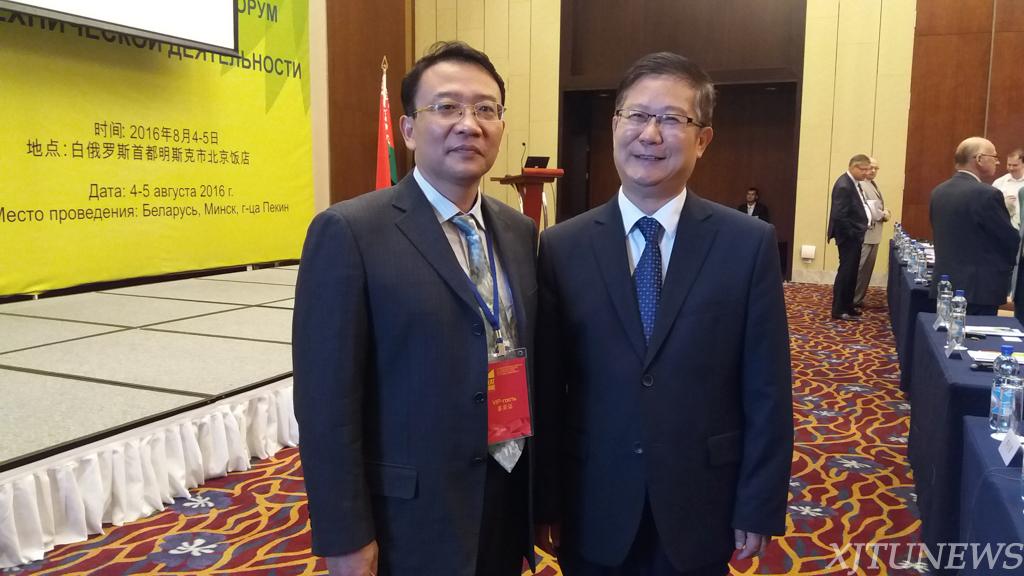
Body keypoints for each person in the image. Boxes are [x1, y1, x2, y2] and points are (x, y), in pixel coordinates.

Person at [534, 52, 793, 576]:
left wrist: (759, 502)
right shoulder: (563, 246)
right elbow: (548, 391)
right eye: (636, 115)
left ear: (702, 139)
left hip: (703, 501)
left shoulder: (747, 244)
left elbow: (767, 387)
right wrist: (545, 501)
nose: (650, 134)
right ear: (615, 125)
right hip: (593, 501)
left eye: (673, 119)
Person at [292, 41, 538, 576]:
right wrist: (344, 535)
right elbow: (325, 403)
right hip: (409, 515)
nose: (469, 124)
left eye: (486, 109)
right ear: (407, 129)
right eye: (447, 107)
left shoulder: (519, 232)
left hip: (504, 494)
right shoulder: (349, 232)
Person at [929, 137, 1018, 316]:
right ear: (979, 159)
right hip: (979, 288)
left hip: (945, 284)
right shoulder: (987, 194)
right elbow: (1009, 240)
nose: (997, 162)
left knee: (946, 331)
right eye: (994, 157)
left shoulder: (939, 191)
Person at [826, 154, 872, 321]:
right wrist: (853, 234)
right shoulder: (844, 185)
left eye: (868, 169)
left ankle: (848, 306)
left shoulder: (854, 183)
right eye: (864, 169)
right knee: (846, 272)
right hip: (848, 237)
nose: (867, 173)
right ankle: (839, 309)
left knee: (852, 273)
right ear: (853, 167)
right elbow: (840, 216)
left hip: (854, 236)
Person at [853, 157, 890, 309]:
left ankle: (857, 299)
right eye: (870, 167)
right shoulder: (861, 185)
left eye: (876, 168)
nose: (873, 171)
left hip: (874, 234)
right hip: (866, 234)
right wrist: (884, 214)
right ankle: (851, 300)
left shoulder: (872, 184)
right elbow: (870, 209)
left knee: (866, 270)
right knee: (859, 269)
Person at [993, 148, 1024, 229]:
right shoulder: (999, 183)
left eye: (1015, 165)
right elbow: (991, 206)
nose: (1011, 168)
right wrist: (1003, 203)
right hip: (1004, 227)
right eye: (1009, 165)